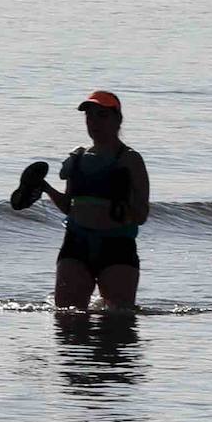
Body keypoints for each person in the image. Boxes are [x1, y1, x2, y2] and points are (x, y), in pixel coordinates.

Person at [35, 90, 149, 310]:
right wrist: (46, 188)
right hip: (76, 244)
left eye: (102, 115)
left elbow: (142, 215)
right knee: (67, 319)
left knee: (119, 324)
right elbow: (69, 206)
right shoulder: (76, 159)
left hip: (117, 245)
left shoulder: (130, 160)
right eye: (89, 116)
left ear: (118, 119)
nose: (94, 122)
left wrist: (115, 208)